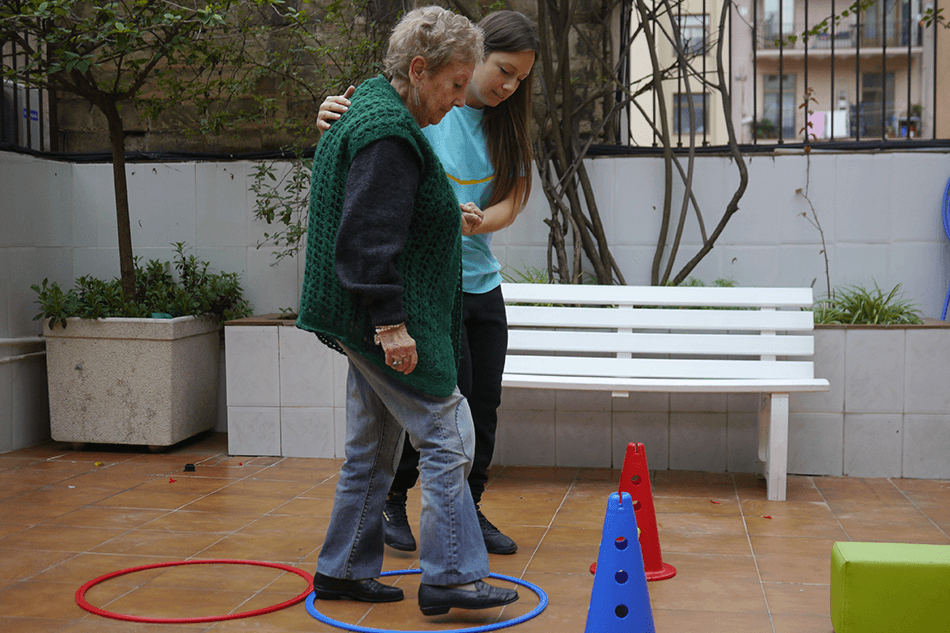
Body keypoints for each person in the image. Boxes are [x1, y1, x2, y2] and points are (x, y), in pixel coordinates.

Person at [297, 6, 518, 616]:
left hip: (356, 315)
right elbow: (368, 240)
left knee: (373, 447)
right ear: (419, 71)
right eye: (452, 84)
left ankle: (342, 569)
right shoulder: (392, 133)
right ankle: (451, 575)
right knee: (448, 435)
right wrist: (391, 325)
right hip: (379, 318)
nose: (456, 100)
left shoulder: (372, 102)